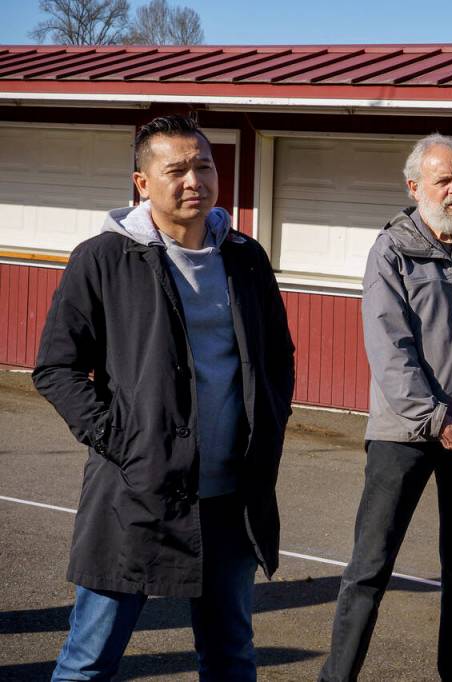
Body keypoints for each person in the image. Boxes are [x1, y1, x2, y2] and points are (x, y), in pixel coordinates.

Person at [33, 114, 295, 681]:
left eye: (203, 165)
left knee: (230, 655)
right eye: (176, 169)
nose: (194, 180)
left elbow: (278, 357)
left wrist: (269, 421)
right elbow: (56, 367)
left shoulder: (246, 258)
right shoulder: (104, 258)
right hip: (137, 491)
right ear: (141, 182)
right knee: (89, 660)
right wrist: (120, 438)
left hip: (231, 498)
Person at [320, 133, 452, 682]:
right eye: (444, 180)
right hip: (404, 435)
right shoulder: (390, 251)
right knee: (370, 567)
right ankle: (336, 677)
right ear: (415, 188)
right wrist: (438, 421)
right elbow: (391, 353)